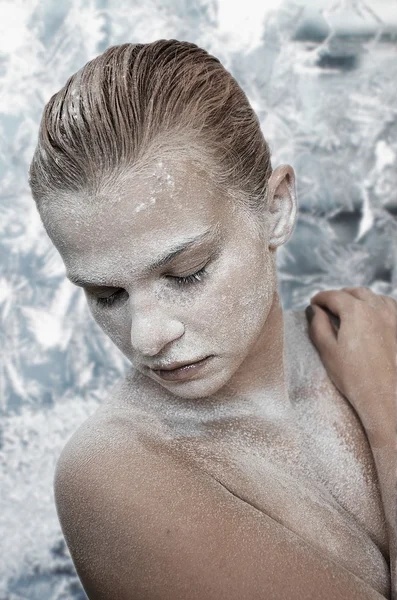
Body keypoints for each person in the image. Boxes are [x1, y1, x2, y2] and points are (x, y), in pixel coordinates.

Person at [28, 40, 396, 600]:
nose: (146, 336)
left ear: (275, 208)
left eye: (186, 272)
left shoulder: (375, 336)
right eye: (106, 295)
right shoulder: (111, 475)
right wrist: (387, 410)